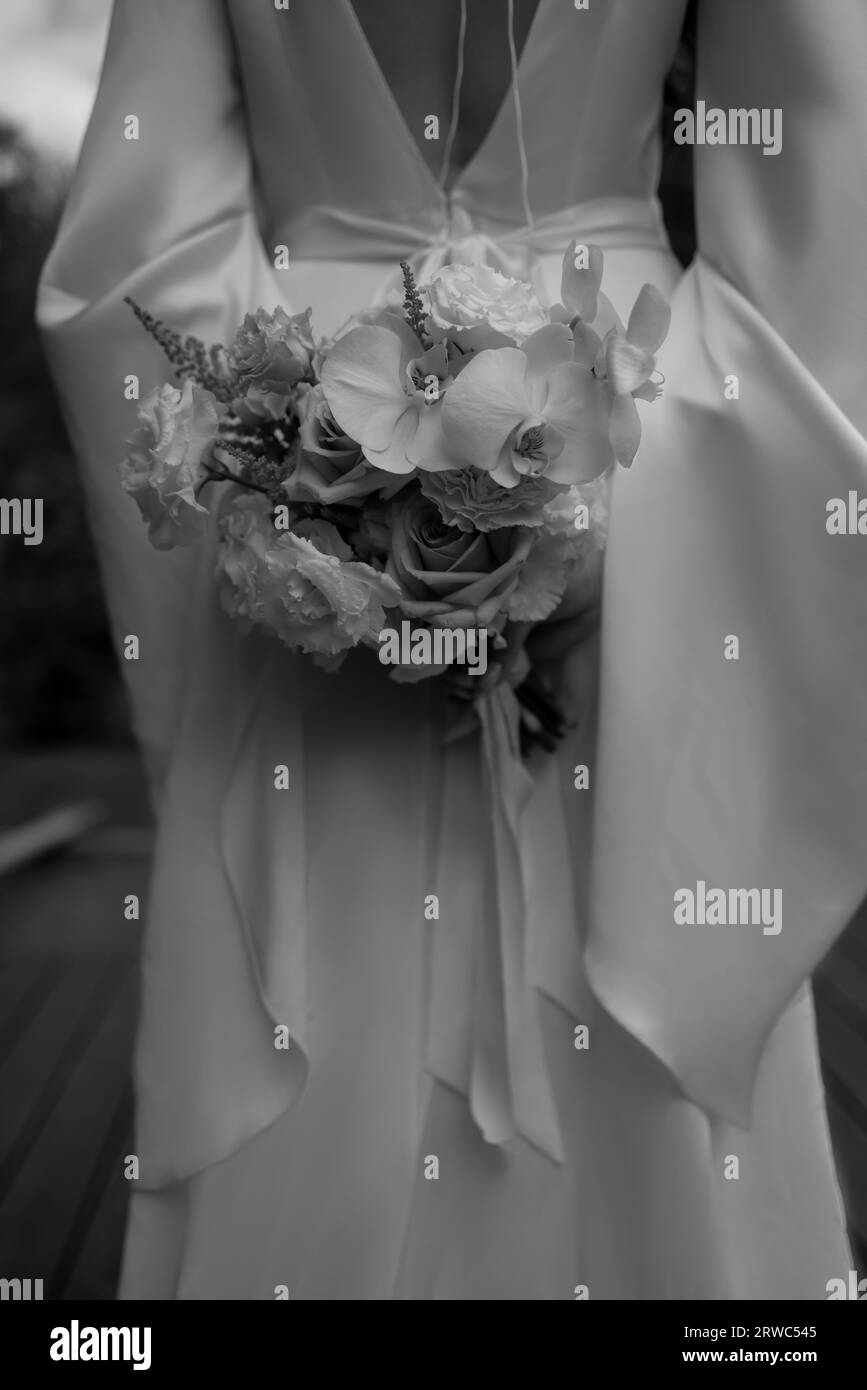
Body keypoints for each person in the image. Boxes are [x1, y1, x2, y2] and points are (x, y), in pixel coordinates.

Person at [37, 0, 865, 1299]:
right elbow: (831, 204)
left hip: (314, 435)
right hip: (634, 428)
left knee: (312, 980)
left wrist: (273, 473)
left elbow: (133, 266)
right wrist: (678, 511)